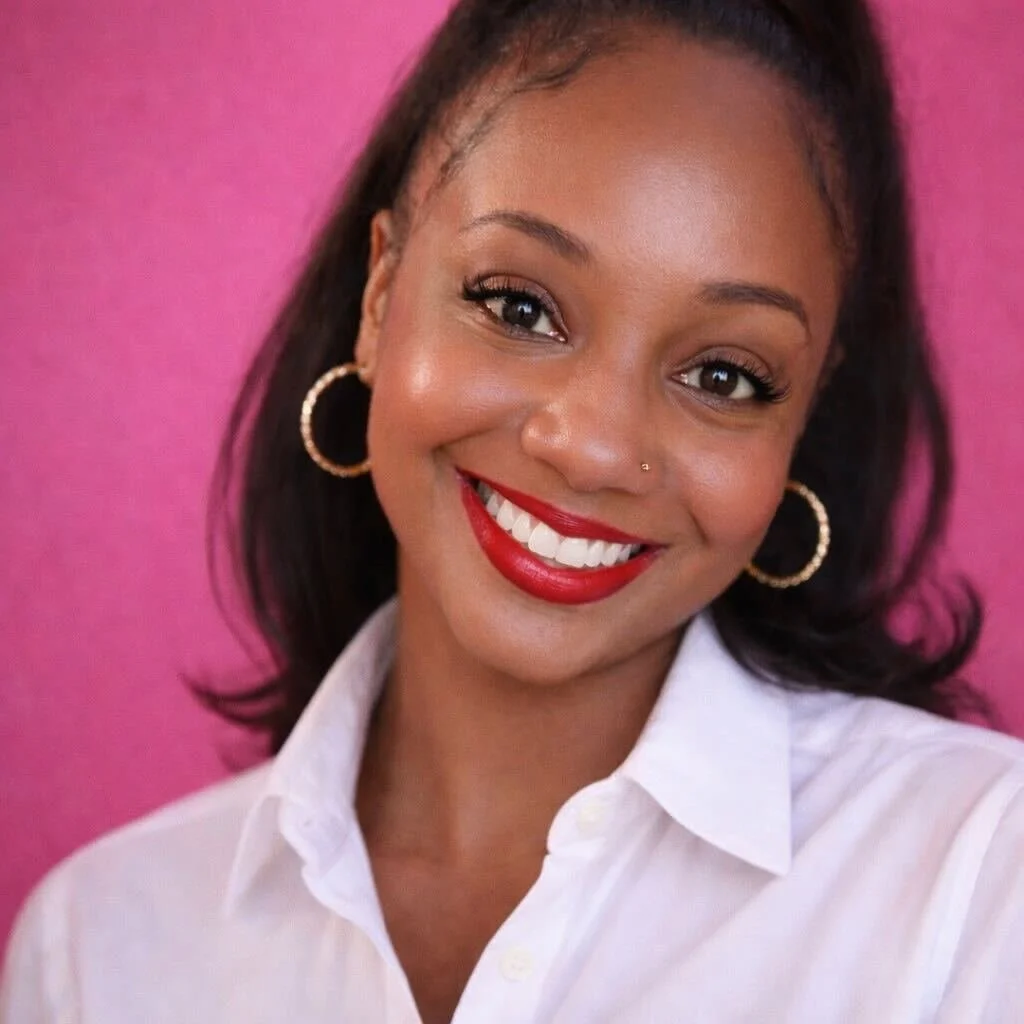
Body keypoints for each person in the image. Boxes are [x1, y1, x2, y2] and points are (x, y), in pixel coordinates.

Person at [3, 0, 1022, 1020]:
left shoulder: (977, 883)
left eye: (723, 374)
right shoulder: (99, 949)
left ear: (800, 417)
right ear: (380, 296)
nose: (592, 447)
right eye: (519, 307)